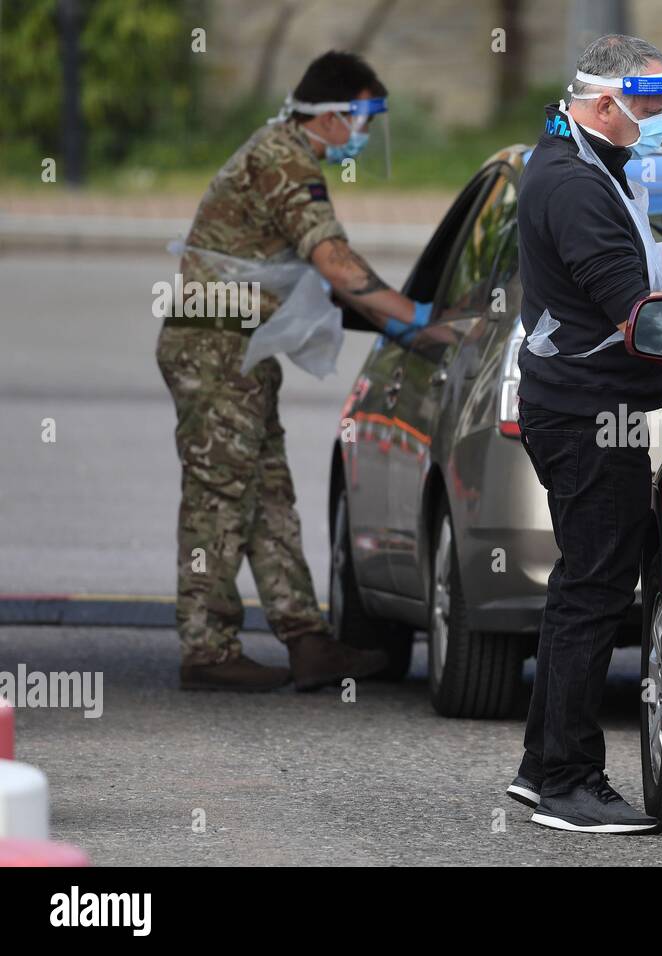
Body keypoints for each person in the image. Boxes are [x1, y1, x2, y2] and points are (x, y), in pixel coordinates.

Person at [157, 50, 448, 692]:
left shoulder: (286, 148)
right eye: (365, 118)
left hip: (237, 351)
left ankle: (305, 640)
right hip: (215, 351)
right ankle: (205, 649)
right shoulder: (284, 157)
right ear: (335, 116)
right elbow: (337, 266)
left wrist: (400, 315)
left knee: (267, 497)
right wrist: (419, 323)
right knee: (218, 498)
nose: (367, 134)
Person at [507, 34, 662, 833]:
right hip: (583, 413)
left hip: (583, 405)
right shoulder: (573, 185)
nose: (657, 118)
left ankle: (544, 769)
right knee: (595, 589)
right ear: (602, 104)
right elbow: (640, 318)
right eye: (646, 104)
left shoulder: (588, 165)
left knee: (587, 580)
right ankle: (569, 782)